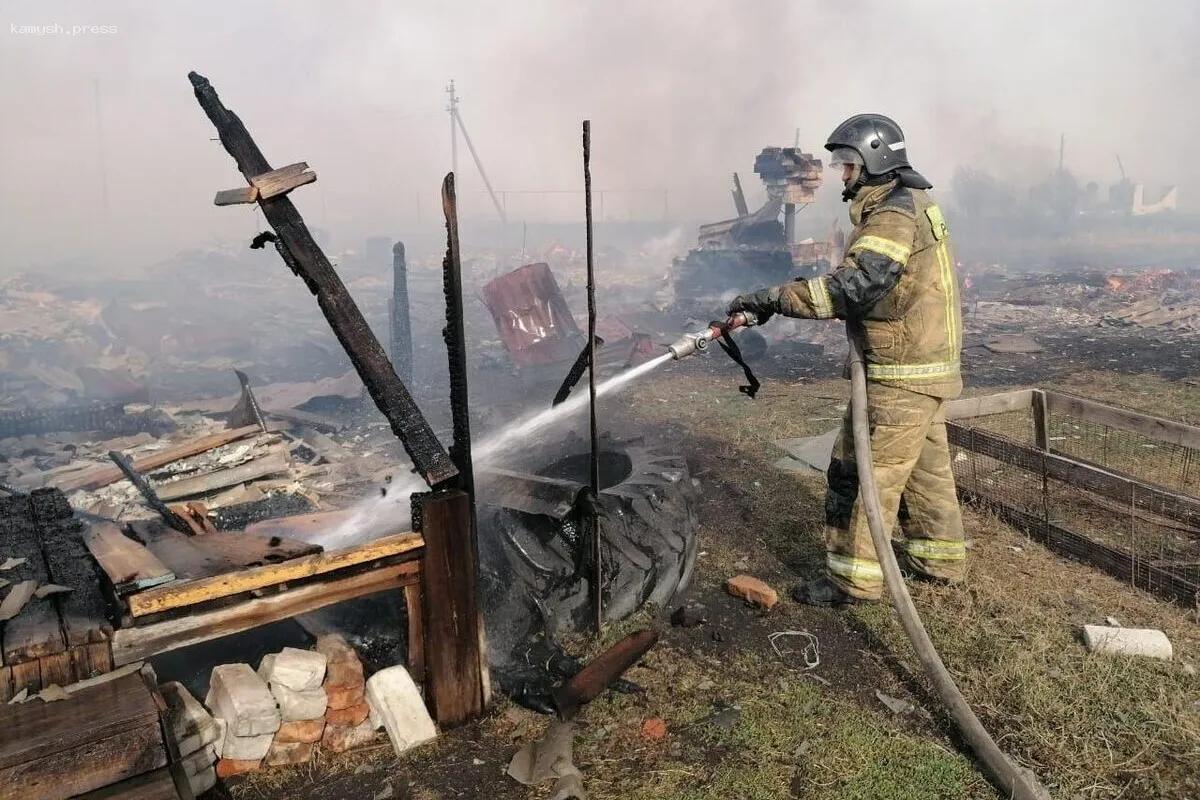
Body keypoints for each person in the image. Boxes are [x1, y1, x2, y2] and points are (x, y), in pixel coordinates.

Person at [727, 114, 966, 606]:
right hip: (926, 365)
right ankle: (939, 560)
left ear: (874, 160)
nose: (842, 174)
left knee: (863, 471)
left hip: (900, 372)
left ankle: (853, 580)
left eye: (847, 164)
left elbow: (854, 287)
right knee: (926, 470)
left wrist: (773, 298)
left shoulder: (893, 215)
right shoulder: (913, 201)